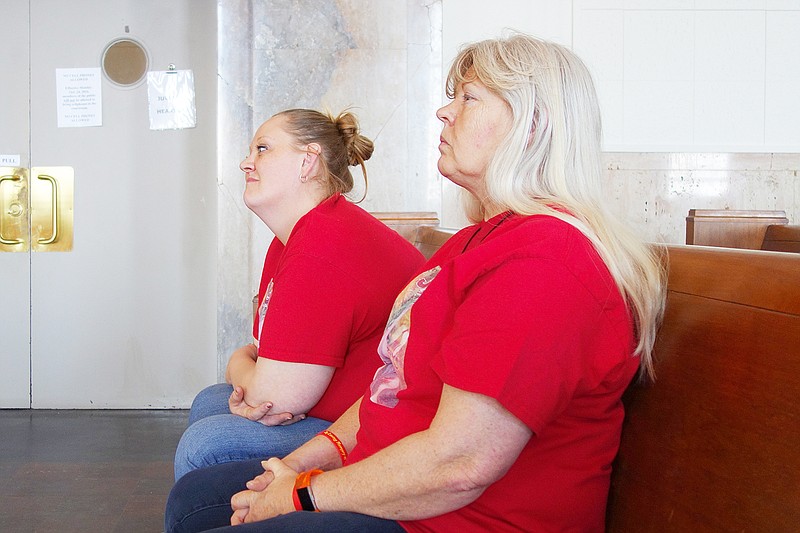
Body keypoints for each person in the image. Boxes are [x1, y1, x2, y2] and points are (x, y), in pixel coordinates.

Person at [164, 33, 666, 533]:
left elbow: (459, 466)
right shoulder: (474, 242)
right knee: (197, 499)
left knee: (210, 477)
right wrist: (303, 463)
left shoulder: (544, 265)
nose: (444, 113)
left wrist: (301, 494)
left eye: (469, 98)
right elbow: (387, 387)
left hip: (458, 520)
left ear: (531, 126)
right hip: (401, 485)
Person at [171, 108, 424, 481]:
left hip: (380, 428)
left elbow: (270, 396)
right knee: (210, 401)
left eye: (262, 149)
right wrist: (248, 369)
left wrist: (239, 365)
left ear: (308, 161)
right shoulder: (294, 237)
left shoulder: (324, 244)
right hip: (334, 407)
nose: (246, 162)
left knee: (207, 443)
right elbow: (260, 354)